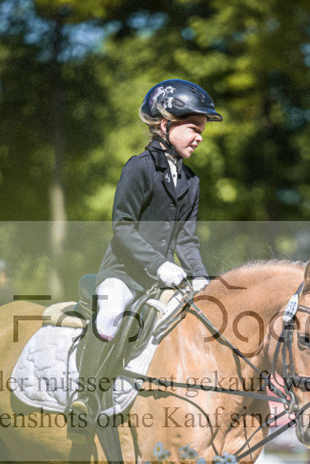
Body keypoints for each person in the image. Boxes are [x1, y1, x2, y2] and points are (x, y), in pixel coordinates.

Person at [68, 79, 223, 428]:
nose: (199, 136)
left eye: (201, 130)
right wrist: (160, 265)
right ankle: (86, 395)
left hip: (162, 281)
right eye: (193, 128)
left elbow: (186, 238)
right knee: (110, 314)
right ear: (164, 124)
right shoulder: (138, 167)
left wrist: (200, 275)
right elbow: (122, 227)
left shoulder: (191, 181)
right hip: (123, 274)